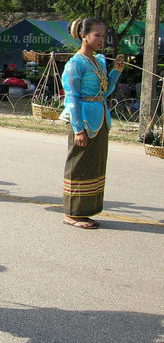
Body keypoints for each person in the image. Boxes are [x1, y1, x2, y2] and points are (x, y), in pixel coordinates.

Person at [60, 18, 123, 229]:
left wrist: (116, 71)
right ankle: (71, 213)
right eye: (97, 35)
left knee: (93, 166)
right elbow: (71, 97)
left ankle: (85, 211)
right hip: (83, 120)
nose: (101, 39)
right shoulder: (74, 64)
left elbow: (105, 91)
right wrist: (78, 129)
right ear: (83, 36)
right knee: (78, 165)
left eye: (103, 35)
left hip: (100, 118)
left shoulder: (99, 61)